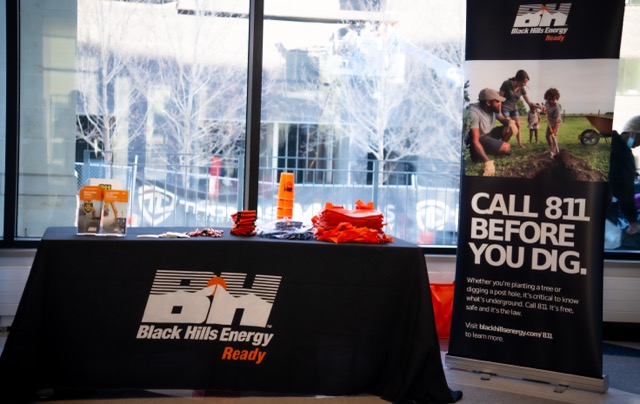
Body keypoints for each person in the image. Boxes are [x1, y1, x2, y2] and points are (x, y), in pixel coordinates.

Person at [467, 88, 517, 176]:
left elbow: (503, 120)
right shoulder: (473, 113)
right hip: (480, 138)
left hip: (488, 134)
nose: (500, 104)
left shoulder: (493, 109)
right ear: (488, 103)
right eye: (497, 101)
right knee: (506, 147)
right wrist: (487, 161)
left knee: (509, 128)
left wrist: (510, 122)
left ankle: (497, 150)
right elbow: (475, 140)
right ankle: (485, 153)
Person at [609, 116, 640, 236]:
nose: (638, 144)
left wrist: (632, 219)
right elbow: (626, 190)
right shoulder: (620, 154)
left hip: (609, 206)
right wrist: (632, 220)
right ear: (632, 133)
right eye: (639, 139)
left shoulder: (626, 156)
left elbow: (626, 189)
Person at [499, 70, 541, 148]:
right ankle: (502, 144)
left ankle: (519, 144)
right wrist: (499, 112)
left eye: (526, 83)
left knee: (518, 124)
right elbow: (499, 99)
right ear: (518, 79)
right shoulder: (506, 84)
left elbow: (529, 102)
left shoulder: (521, 88)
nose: (525, 84)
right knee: (508, 126)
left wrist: (539, 107)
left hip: (514, 108)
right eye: (524, 82)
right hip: (505, 108)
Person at [542, 88, 562, 157]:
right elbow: (545, 109)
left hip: (556, 123)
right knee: (547, 136)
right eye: (549, 99)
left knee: (554, 136)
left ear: (556, 99)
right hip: (550, 122)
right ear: (546, 98)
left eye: (553, 100)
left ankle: (554, 151)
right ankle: (551, 148)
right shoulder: (546, 103)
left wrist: (554, 129)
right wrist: (544, 111)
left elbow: (557, 120)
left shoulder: (557, 107)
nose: (550, 101)